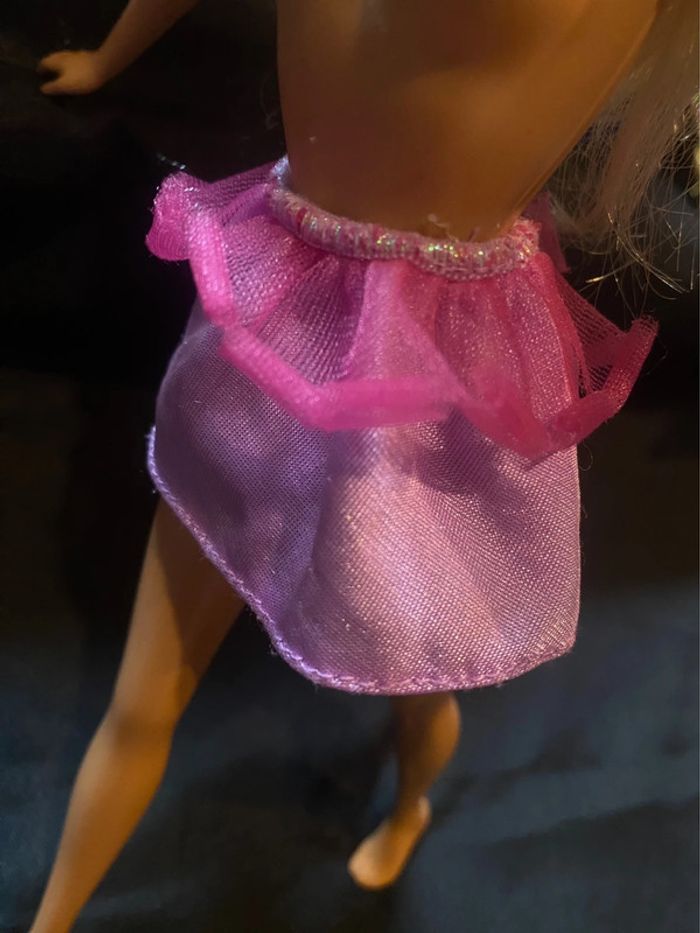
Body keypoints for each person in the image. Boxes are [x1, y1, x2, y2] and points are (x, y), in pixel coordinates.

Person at [31, 2, 697, 930]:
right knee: (143, 700)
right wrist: (110, 57)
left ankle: (414, 800)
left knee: (412, 661)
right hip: (279, 305)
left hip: (425, 367)